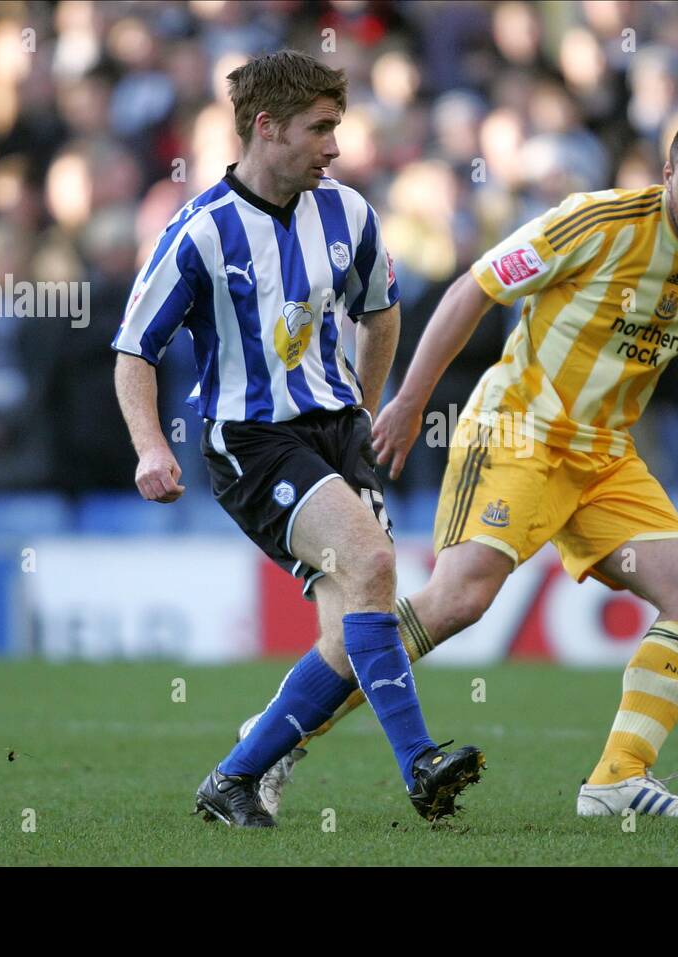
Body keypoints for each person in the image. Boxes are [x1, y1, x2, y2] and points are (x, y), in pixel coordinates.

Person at [248, 105, 678, 820]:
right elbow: (475, 287)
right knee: (461, 596)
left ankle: (617, 777)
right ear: (666, 176)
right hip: (516, 433)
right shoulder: (595, 223)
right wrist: (407, 400)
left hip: (604, 457)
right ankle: (277, 734)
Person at [111, 50, 483, 828]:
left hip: (337, 432)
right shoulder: (201, 232)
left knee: (350, 636)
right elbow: (133, 350)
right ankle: (419, 764)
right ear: (266, 127)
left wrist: (369, 409)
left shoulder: (348, 212)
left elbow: (381, 309)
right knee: (375, 563)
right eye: (321, 129)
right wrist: (151, 444)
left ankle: (235, 776)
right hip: (253, 442)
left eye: (337, 128)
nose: (335, 146)